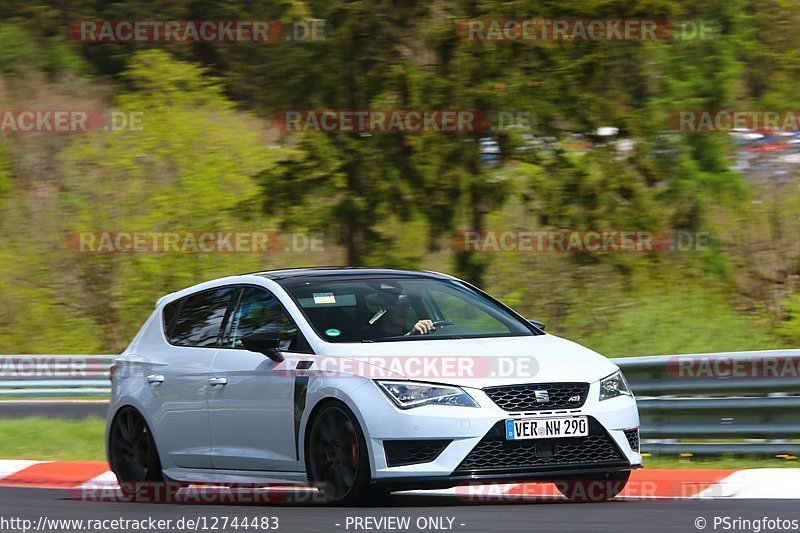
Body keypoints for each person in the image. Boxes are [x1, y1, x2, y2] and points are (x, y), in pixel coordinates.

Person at [369, 294, 434, 337]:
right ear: (381, 308)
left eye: (407, 306)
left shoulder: (418, 331)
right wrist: (410, 335)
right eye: (397, 305)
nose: (404, 309)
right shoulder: (369, 337)